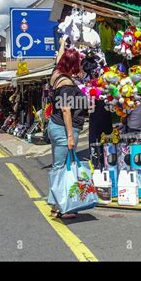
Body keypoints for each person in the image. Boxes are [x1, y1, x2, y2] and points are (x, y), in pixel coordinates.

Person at [47, 39, 87, 219]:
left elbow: (58, 59)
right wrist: (70, 136)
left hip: (54, 126)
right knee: (62, 168)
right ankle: (59, 207)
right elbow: (66, 110)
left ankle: (56, 205)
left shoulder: (56, 75)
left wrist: (62, 43)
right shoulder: (67, 85)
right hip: (64, 129)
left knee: (58, 166)